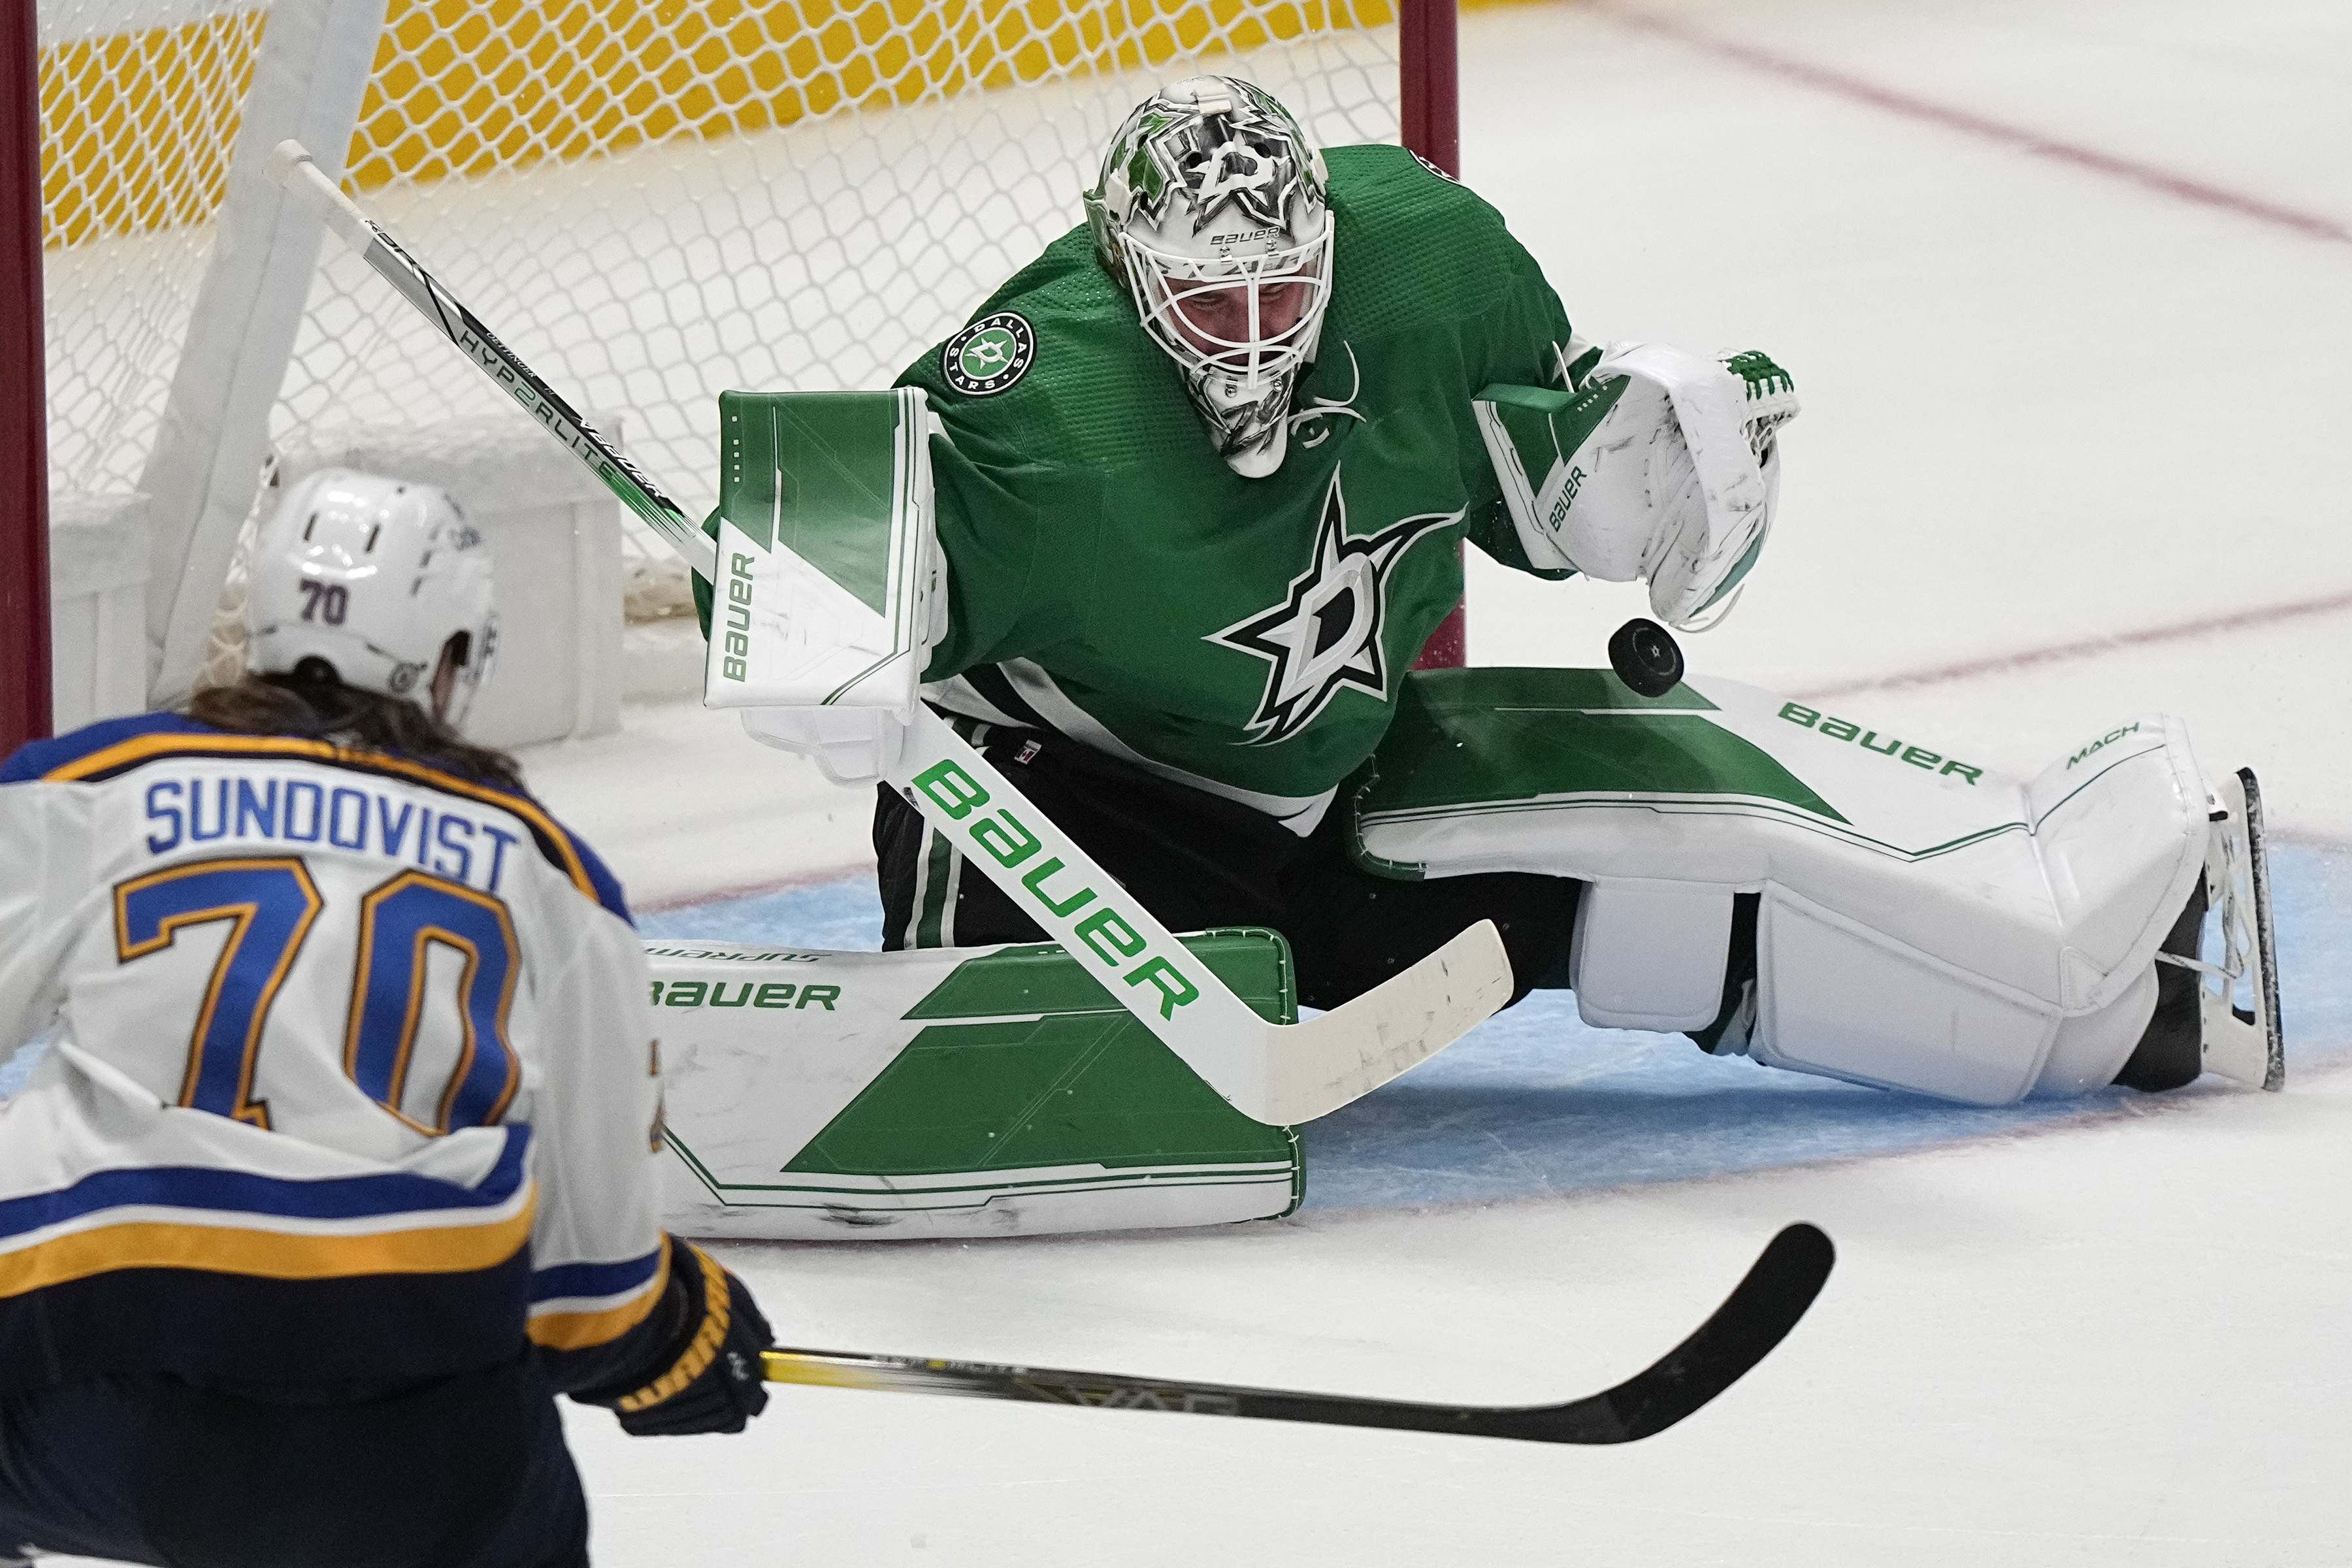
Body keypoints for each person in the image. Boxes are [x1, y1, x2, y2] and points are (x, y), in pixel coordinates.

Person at [867, 75, 2269, 1103]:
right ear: (1128, 271)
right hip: (1080, 814)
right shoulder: (1036, 409)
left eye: (1280, 295)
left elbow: (1543, 502)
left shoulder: (1428, 258)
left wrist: (1628, 474)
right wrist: (816, 618)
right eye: (1208, 303)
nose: (1250, 338)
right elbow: (851, 527)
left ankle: (2127, 1004)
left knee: (1665, 872)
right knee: (1076, 1083)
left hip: (1333, 794)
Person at [0, 470, 774, 1568]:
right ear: (453, 656)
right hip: (410, 1467)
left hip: (90, 1421)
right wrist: (671, 1339)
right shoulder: (549, 876)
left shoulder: (91, 786)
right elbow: (590, 1285)